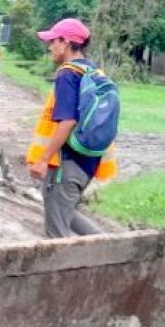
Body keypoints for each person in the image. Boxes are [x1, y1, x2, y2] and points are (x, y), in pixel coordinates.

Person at [26, 17, 117, 238]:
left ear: (65, 42)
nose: (50, 47)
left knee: (56, 236)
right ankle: (111, 247)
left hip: (66, 164)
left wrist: (43, 159)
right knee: (66, 212)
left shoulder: (67, 74)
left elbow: (67, 122)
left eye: (52, 41)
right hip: (88, 163)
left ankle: (108, 259)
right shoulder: (93, 71)